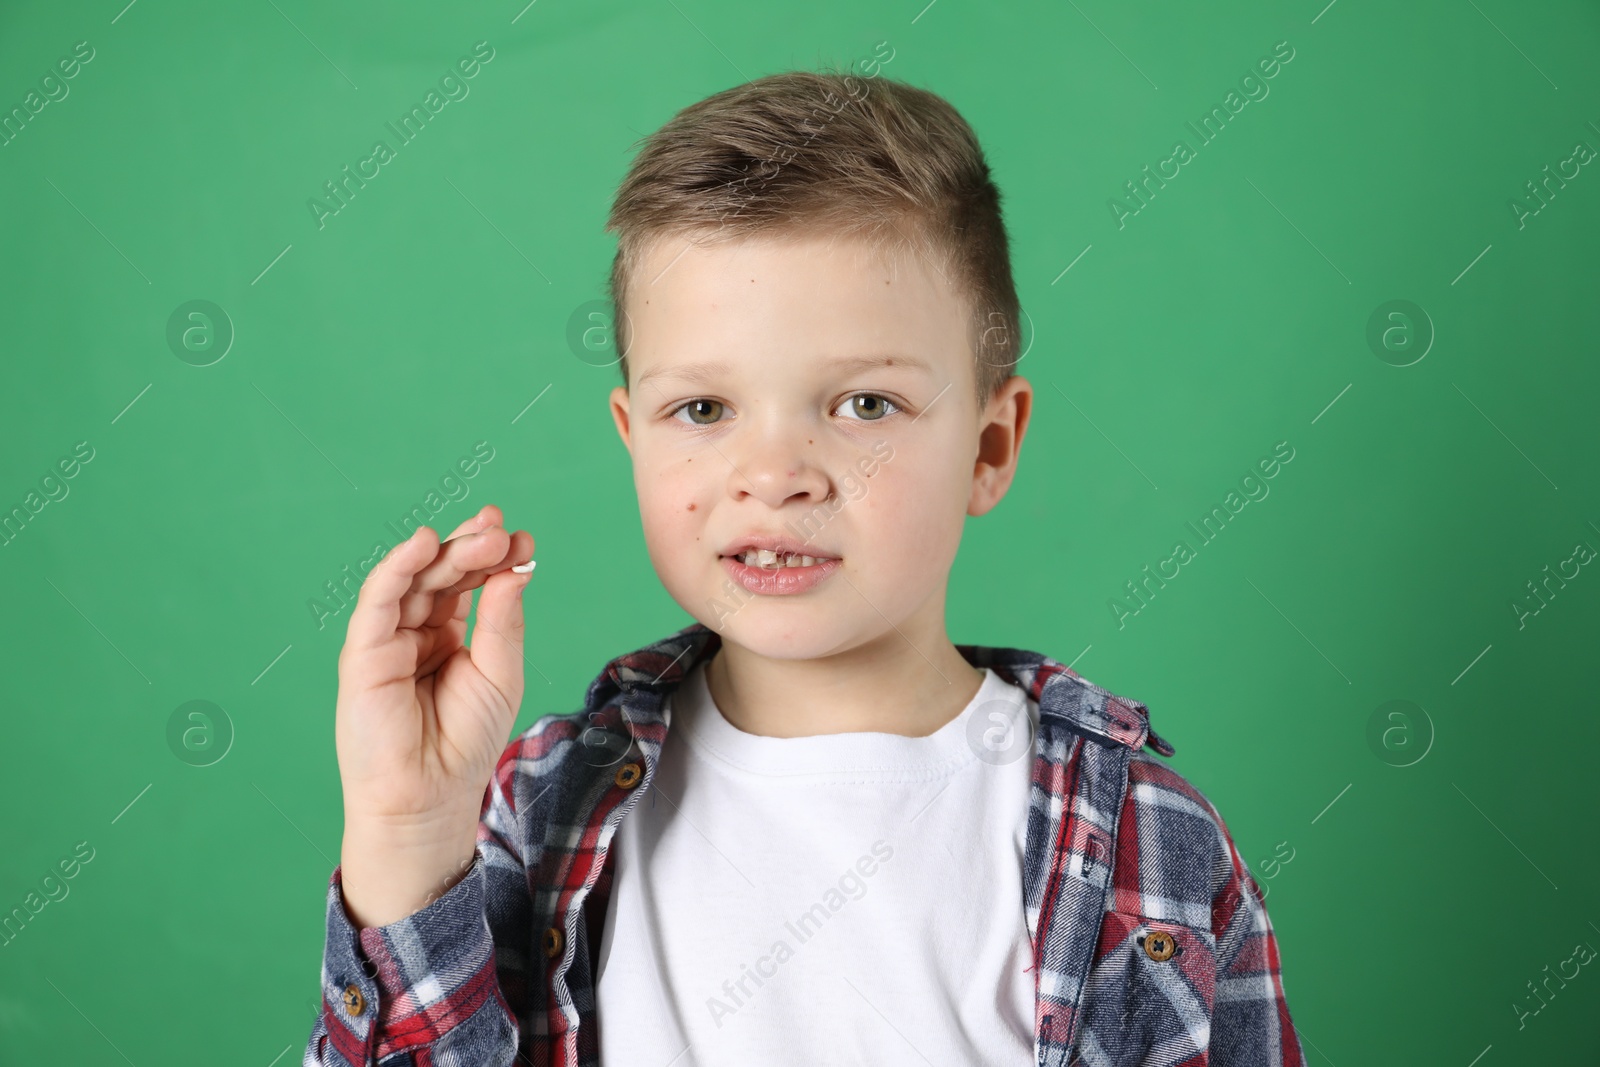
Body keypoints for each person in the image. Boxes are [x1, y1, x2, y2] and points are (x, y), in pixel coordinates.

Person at [304, 68, 1304, 1067]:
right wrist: (405, 832)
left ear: (990, 447)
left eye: (864, 403)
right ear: (632, 439)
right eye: (702, 409)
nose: (774, 476)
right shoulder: (530, 810)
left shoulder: (1147, 841)